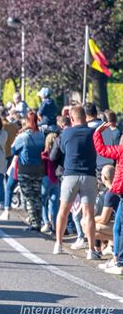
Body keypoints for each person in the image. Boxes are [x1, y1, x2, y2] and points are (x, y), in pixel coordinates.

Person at [53, 106, 99, 259]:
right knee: (89, 214)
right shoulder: (93, 133)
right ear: (85, 117)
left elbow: (63, 150)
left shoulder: (66, 133)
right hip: (89, 175)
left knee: (63, 211)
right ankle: (91, 249)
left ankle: (58, 244)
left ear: (72, 119)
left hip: (71, 174)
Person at [94, 122, 123, 274]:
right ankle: (116, 258)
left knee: (120, 228)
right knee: (118, 227)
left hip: (121, 190)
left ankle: (120, 262)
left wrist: (97, 133)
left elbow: (102, 149)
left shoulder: (121, 150)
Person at [11, 111, 45, 231]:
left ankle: (34, 222)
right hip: (38, 168)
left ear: (26, 121)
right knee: (37, 195)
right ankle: (39, 221)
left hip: (25, 168)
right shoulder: (41, 135)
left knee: (29, 196)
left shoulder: (23, 137)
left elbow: (13, 150)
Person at [40, 132, 60, 234]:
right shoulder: (59, 153)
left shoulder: (44, 154)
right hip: (56, 180)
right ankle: (54, 224)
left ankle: (46, 222)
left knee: (43, 202)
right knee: (54, 204)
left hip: (46, 178)